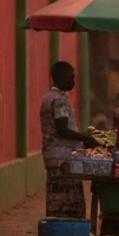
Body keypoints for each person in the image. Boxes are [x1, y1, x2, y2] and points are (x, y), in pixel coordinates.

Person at [40, 61, 98, 218]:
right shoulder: (59, 100)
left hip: (53, 155)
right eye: (70, 78)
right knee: (69, 206)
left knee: (56, 203)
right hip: (62, 158)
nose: (73, 82)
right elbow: (62, 129)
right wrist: (85, 138)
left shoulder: (48, 97)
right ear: (60, 78)